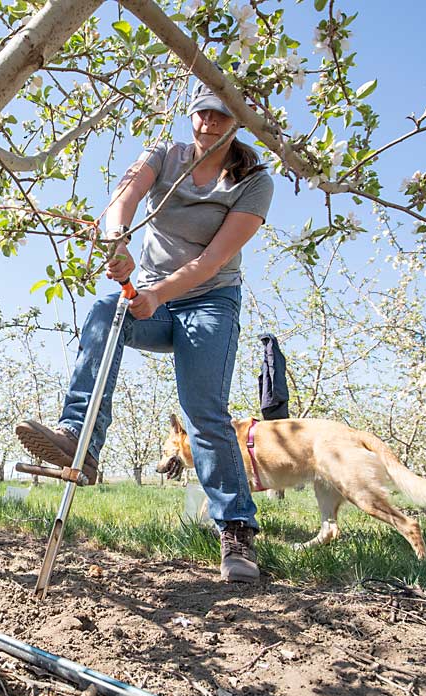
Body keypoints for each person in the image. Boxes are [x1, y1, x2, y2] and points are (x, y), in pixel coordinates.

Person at [16, 81, 274, 583]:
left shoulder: (254, 181)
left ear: (239, 121)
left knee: (204, 411)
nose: (207, 124)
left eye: (221, 117)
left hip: (208, 300)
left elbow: (213, 260)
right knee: (102, 313)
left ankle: (237, 531)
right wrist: (117, 240)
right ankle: (80, 442)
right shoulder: (163, 154)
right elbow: (125, 197)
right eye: (202, 113)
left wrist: (161, 293)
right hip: (148, 298)